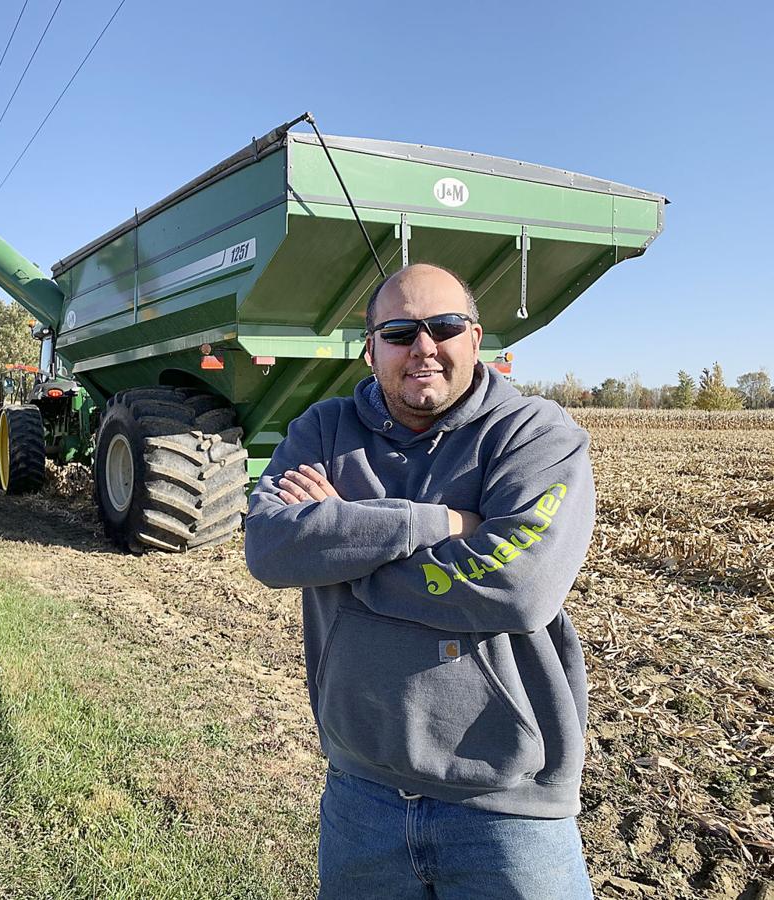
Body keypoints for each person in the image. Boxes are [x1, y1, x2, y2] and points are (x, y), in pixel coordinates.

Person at [245, 263, 596, 899]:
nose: (424, 347)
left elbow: (520, 585)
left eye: (444, 326)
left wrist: (347, 548)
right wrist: (438, 522)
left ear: (476, 336)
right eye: (401, 330)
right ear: (370, 346)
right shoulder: (324, 430)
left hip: (507, 812)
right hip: (361, 798)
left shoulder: (535, 434)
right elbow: (271, 547)